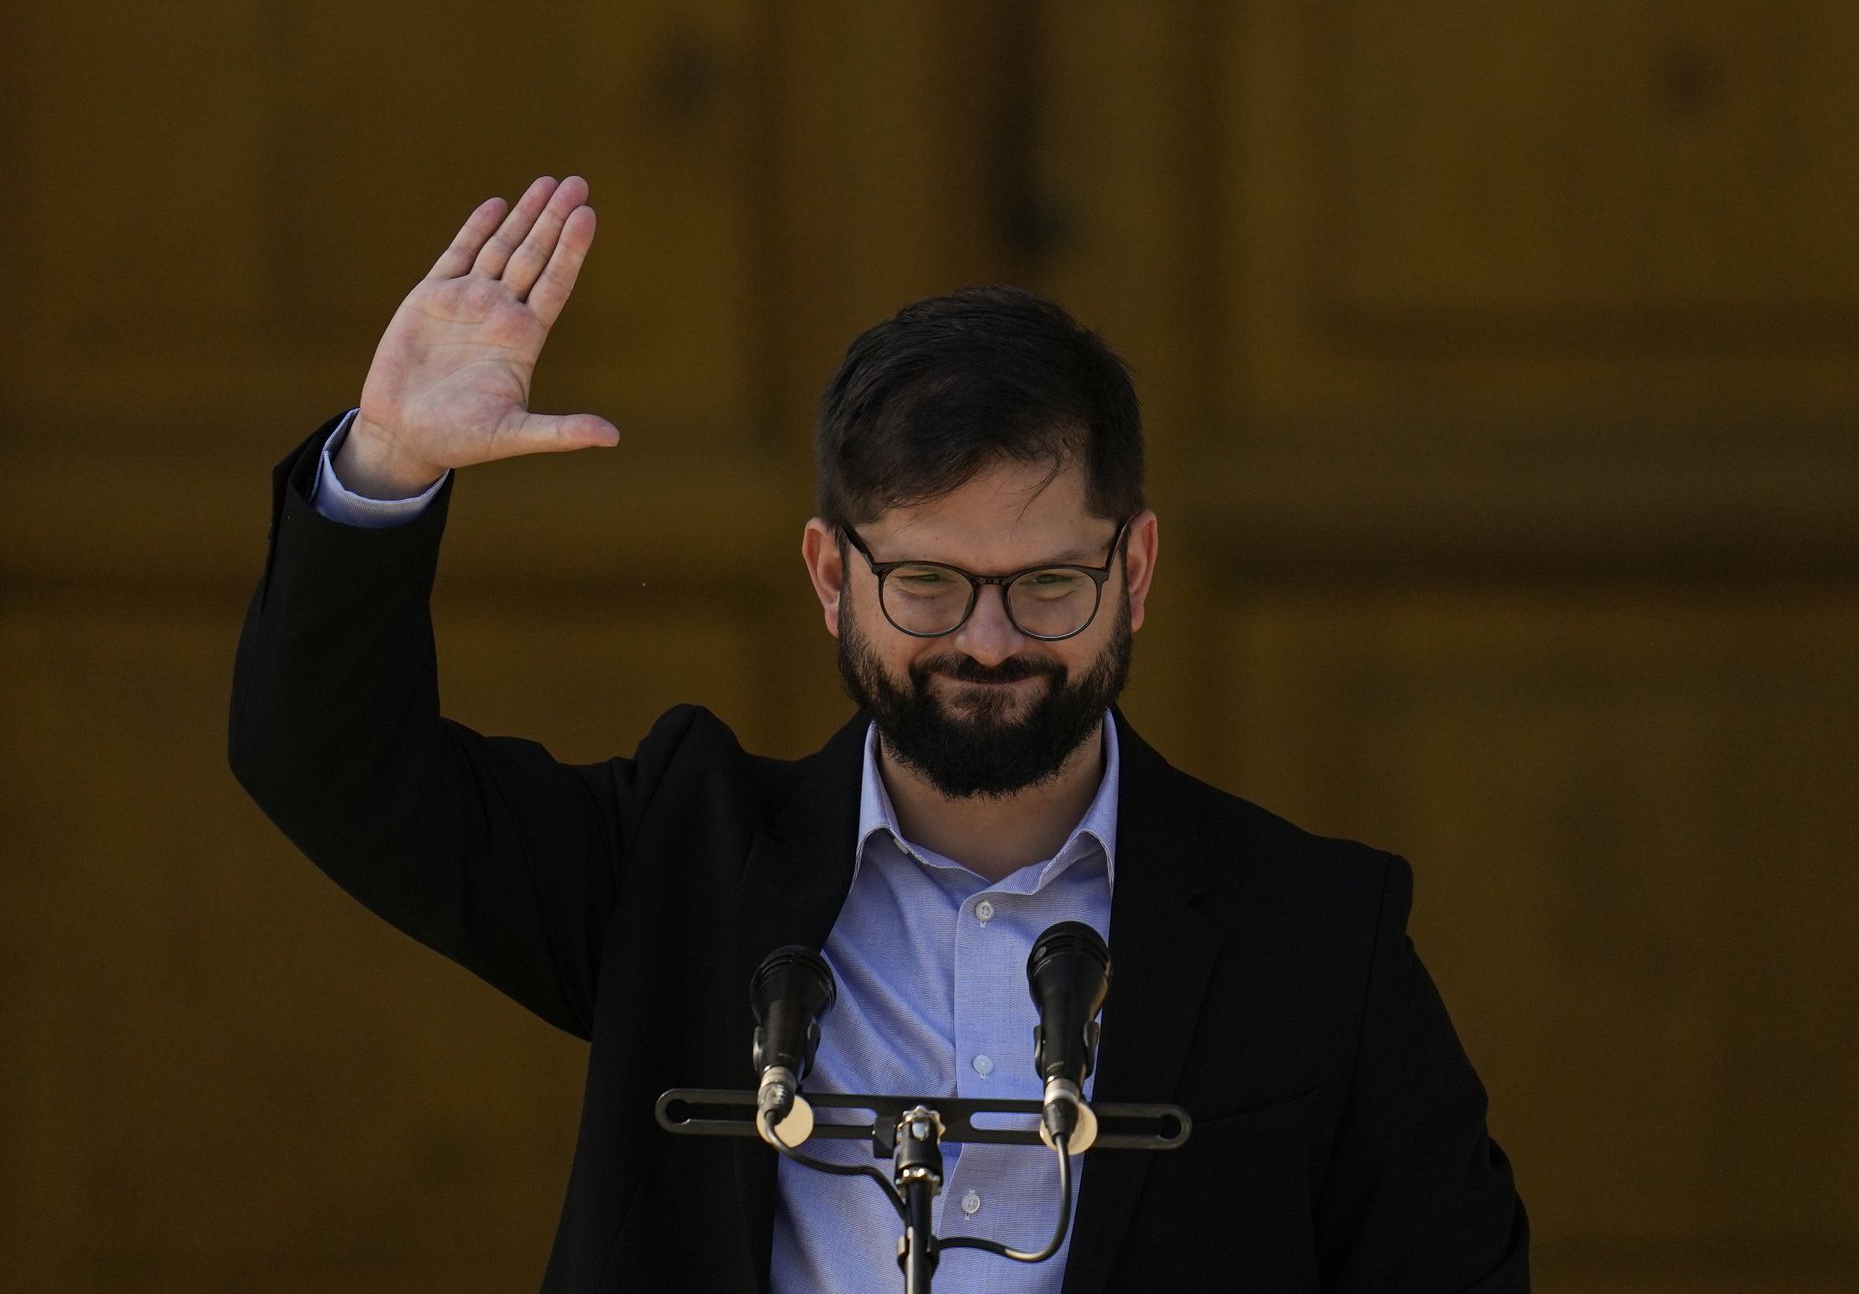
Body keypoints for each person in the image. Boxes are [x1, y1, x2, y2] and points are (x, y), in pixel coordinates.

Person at [229, 174, 1529, 1293]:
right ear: (828, 575)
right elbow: (331, 763)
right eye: (927, 585)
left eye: (1047, 585)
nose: (988, 640)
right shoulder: (678, 864)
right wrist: (389, 467)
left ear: (1134, 571)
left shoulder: (1317, 935)